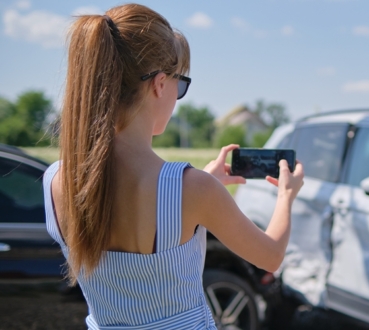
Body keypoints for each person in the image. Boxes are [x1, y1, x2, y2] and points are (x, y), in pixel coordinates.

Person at [43, 3, 304, 329]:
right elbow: (272, 256)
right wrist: (286, 196)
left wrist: (200, 185)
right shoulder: (193, 190)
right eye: (181, 85)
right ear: (160, 84)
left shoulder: (55, 179)